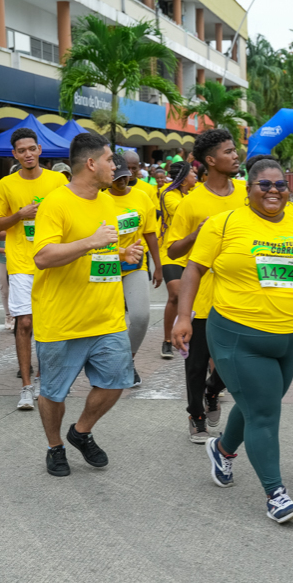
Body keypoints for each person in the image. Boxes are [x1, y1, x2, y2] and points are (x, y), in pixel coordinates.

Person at [172, 158, 293, 523]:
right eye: (264, 185)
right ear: (249, 189)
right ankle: (276, 494)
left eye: (280, 185)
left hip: (287, 337)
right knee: (266, 412)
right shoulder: (225, 224)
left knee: (259, 403)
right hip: (236, 335)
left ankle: (222, 449)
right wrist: (183, 316)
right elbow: (194, 268)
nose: (273, 191)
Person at [32, 132, 141, 477]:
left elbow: (101, 250)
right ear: (91, 163)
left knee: (116, 381)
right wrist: (91, 241)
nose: (116, 166)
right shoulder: (56, 202)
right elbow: (43, 256)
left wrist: (124, 253)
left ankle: (80, 432)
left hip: (106, 317)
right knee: (53, 393)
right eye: (110, 160)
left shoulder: (107, 201)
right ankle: (55, 447)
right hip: (62, 320)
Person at [164, 129, 243, 443]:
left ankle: (213, 391)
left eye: (235, 150)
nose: (236, 155)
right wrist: (196, 235)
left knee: (233, 362)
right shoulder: (191, 202)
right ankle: (196, 415)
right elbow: (172, 250)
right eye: (229, 151)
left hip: (240, 295)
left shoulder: (247, 195)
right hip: (201, 296)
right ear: (210, 160)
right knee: (196, 364)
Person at [0, 128, 69, 410]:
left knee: (52, 324)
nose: (27, 154)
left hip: (54, 261)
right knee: (24, 322)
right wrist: (19, 215)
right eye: (21, 150)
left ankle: (48, 379)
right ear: (14, 154)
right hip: (22, 262)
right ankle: (26, 387)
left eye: (31, 148)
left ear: (39, 150)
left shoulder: (58, 181)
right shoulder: (6, 186)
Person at [106, 154, 161, 384]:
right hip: (106, 266)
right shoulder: (98, 199)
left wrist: (158, 266)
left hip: (135, 264)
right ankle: (111, 364)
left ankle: (128, 360)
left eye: (126, 176)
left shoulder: (142, 197)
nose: (122, 181)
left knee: (140, 316)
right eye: (117, 177)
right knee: (112, 319)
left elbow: (150, 233)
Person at [158, 159, 197, 359]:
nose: (196, 177)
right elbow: (184, 211)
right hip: (171, 251)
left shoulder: (192, 193)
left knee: (191, 296)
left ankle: (187, 334)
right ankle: (166, 340)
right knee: (175, 294)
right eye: (193, 174)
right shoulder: (167, 194)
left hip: (191, 252)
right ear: (183, 179)